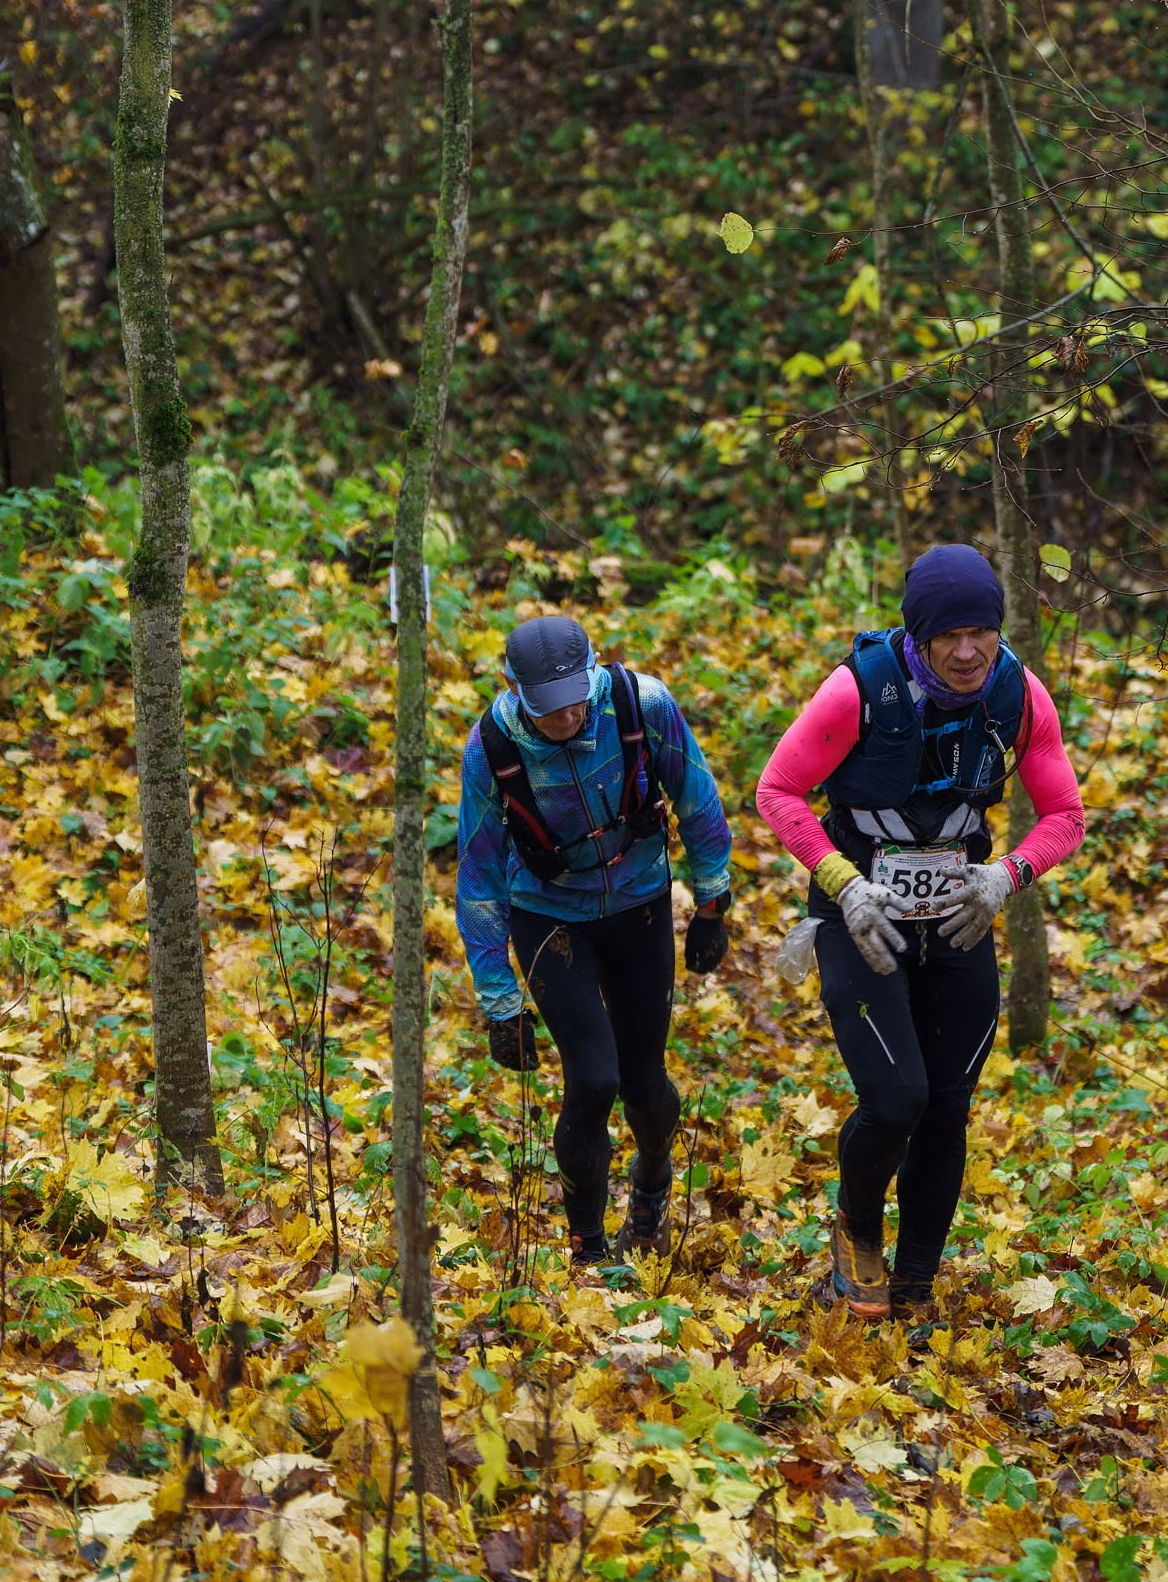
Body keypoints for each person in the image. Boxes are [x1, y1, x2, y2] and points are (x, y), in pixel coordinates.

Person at [755, 543, 1086, 1323]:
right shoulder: (858, 690)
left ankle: (916, 1284)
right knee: (896, 1096)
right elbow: (778, 790)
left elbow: (1065, 815)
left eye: (982, 633)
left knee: (946, 1105)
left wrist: (1007, 876)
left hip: (958, 914)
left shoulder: (1019, 695)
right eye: (948, 637)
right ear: (918, 636)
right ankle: (857, 1231)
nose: (968, 652)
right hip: (860, 914)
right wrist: (842, 882)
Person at [456, 611, 734, 1264]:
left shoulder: (643, 705)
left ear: (593, 668)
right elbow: (479, 873)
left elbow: (696, 797)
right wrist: (499, 1001)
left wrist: (711, 904)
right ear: (514, 689)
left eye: (575, 697)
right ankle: (588, 1248)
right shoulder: (491, 747)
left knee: (643, 1083)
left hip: (638, 905)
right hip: (548, 915)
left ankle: (652, 1185)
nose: (566, 715)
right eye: (547, 705)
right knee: (593, 1079)